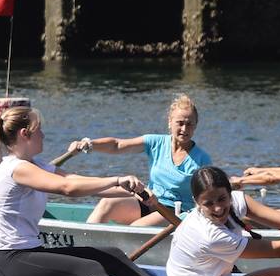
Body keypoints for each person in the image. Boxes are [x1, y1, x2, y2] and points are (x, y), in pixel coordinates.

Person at [0, 106, 168, 276]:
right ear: (25, 134)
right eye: (39, 130)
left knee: (111, 256)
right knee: (88, 269)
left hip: (28, 254)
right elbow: (68, 188)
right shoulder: (16, 168)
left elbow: (79, 181)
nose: (43, 135)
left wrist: (137, 193)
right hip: (8, 262)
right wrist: (116, 179)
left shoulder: (36, 165)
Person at [74, 93, 212, 227]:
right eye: (180, 123)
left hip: (176, 213)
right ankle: (85, 240)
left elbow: (208, 197)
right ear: (170, 122)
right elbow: (117, 145)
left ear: (196, 125)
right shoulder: (155, 142)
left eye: (189, 124)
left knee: (137, 227)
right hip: (148, 201)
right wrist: (90, 144)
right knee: (107, 203)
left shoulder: (202, 159)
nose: (184, 129)